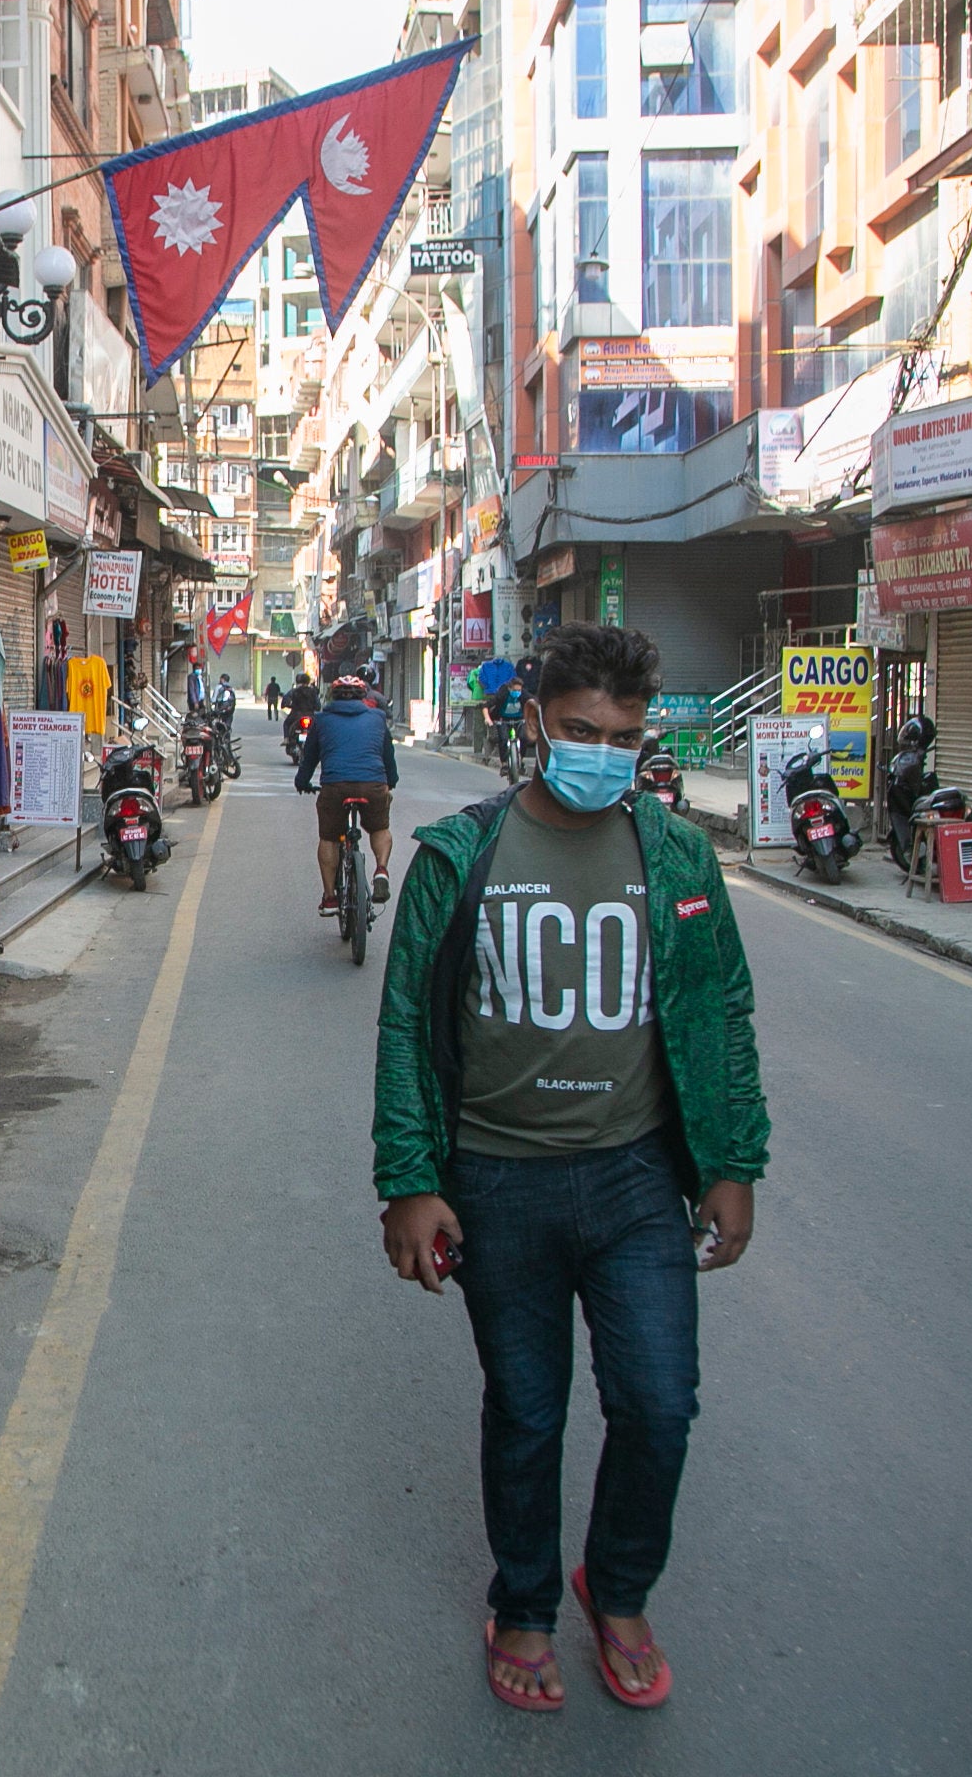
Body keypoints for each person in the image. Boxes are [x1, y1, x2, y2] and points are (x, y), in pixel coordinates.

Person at [369, 621, 768, 1715]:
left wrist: (734, 1163)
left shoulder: (677, 854)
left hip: (640, 1182)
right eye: (582, 729)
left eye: (626, 736)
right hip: (497, 1183)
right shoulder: (462, 857)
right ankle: (528, 1604)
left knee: (659, 1404)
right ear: (536, 722)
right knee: (529, 1410)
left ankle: (619, 1586)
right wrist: (409, 1181)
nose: (604, 752)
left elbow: (721, 1009)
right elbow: (408, 1024)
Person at [293, 674, 398, 913]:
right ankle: (381, 869)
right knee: (380, 828)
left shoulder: (321, 720)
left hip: (335, 786)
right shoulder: (378, 718)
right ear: (364, 697)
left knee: (329, 838)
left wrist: (302, 781)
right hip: (373, 785)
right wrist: (390, 781)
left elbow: (309, 757)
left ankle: (330, 897)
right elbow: (387, 756)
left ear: (332, 697)